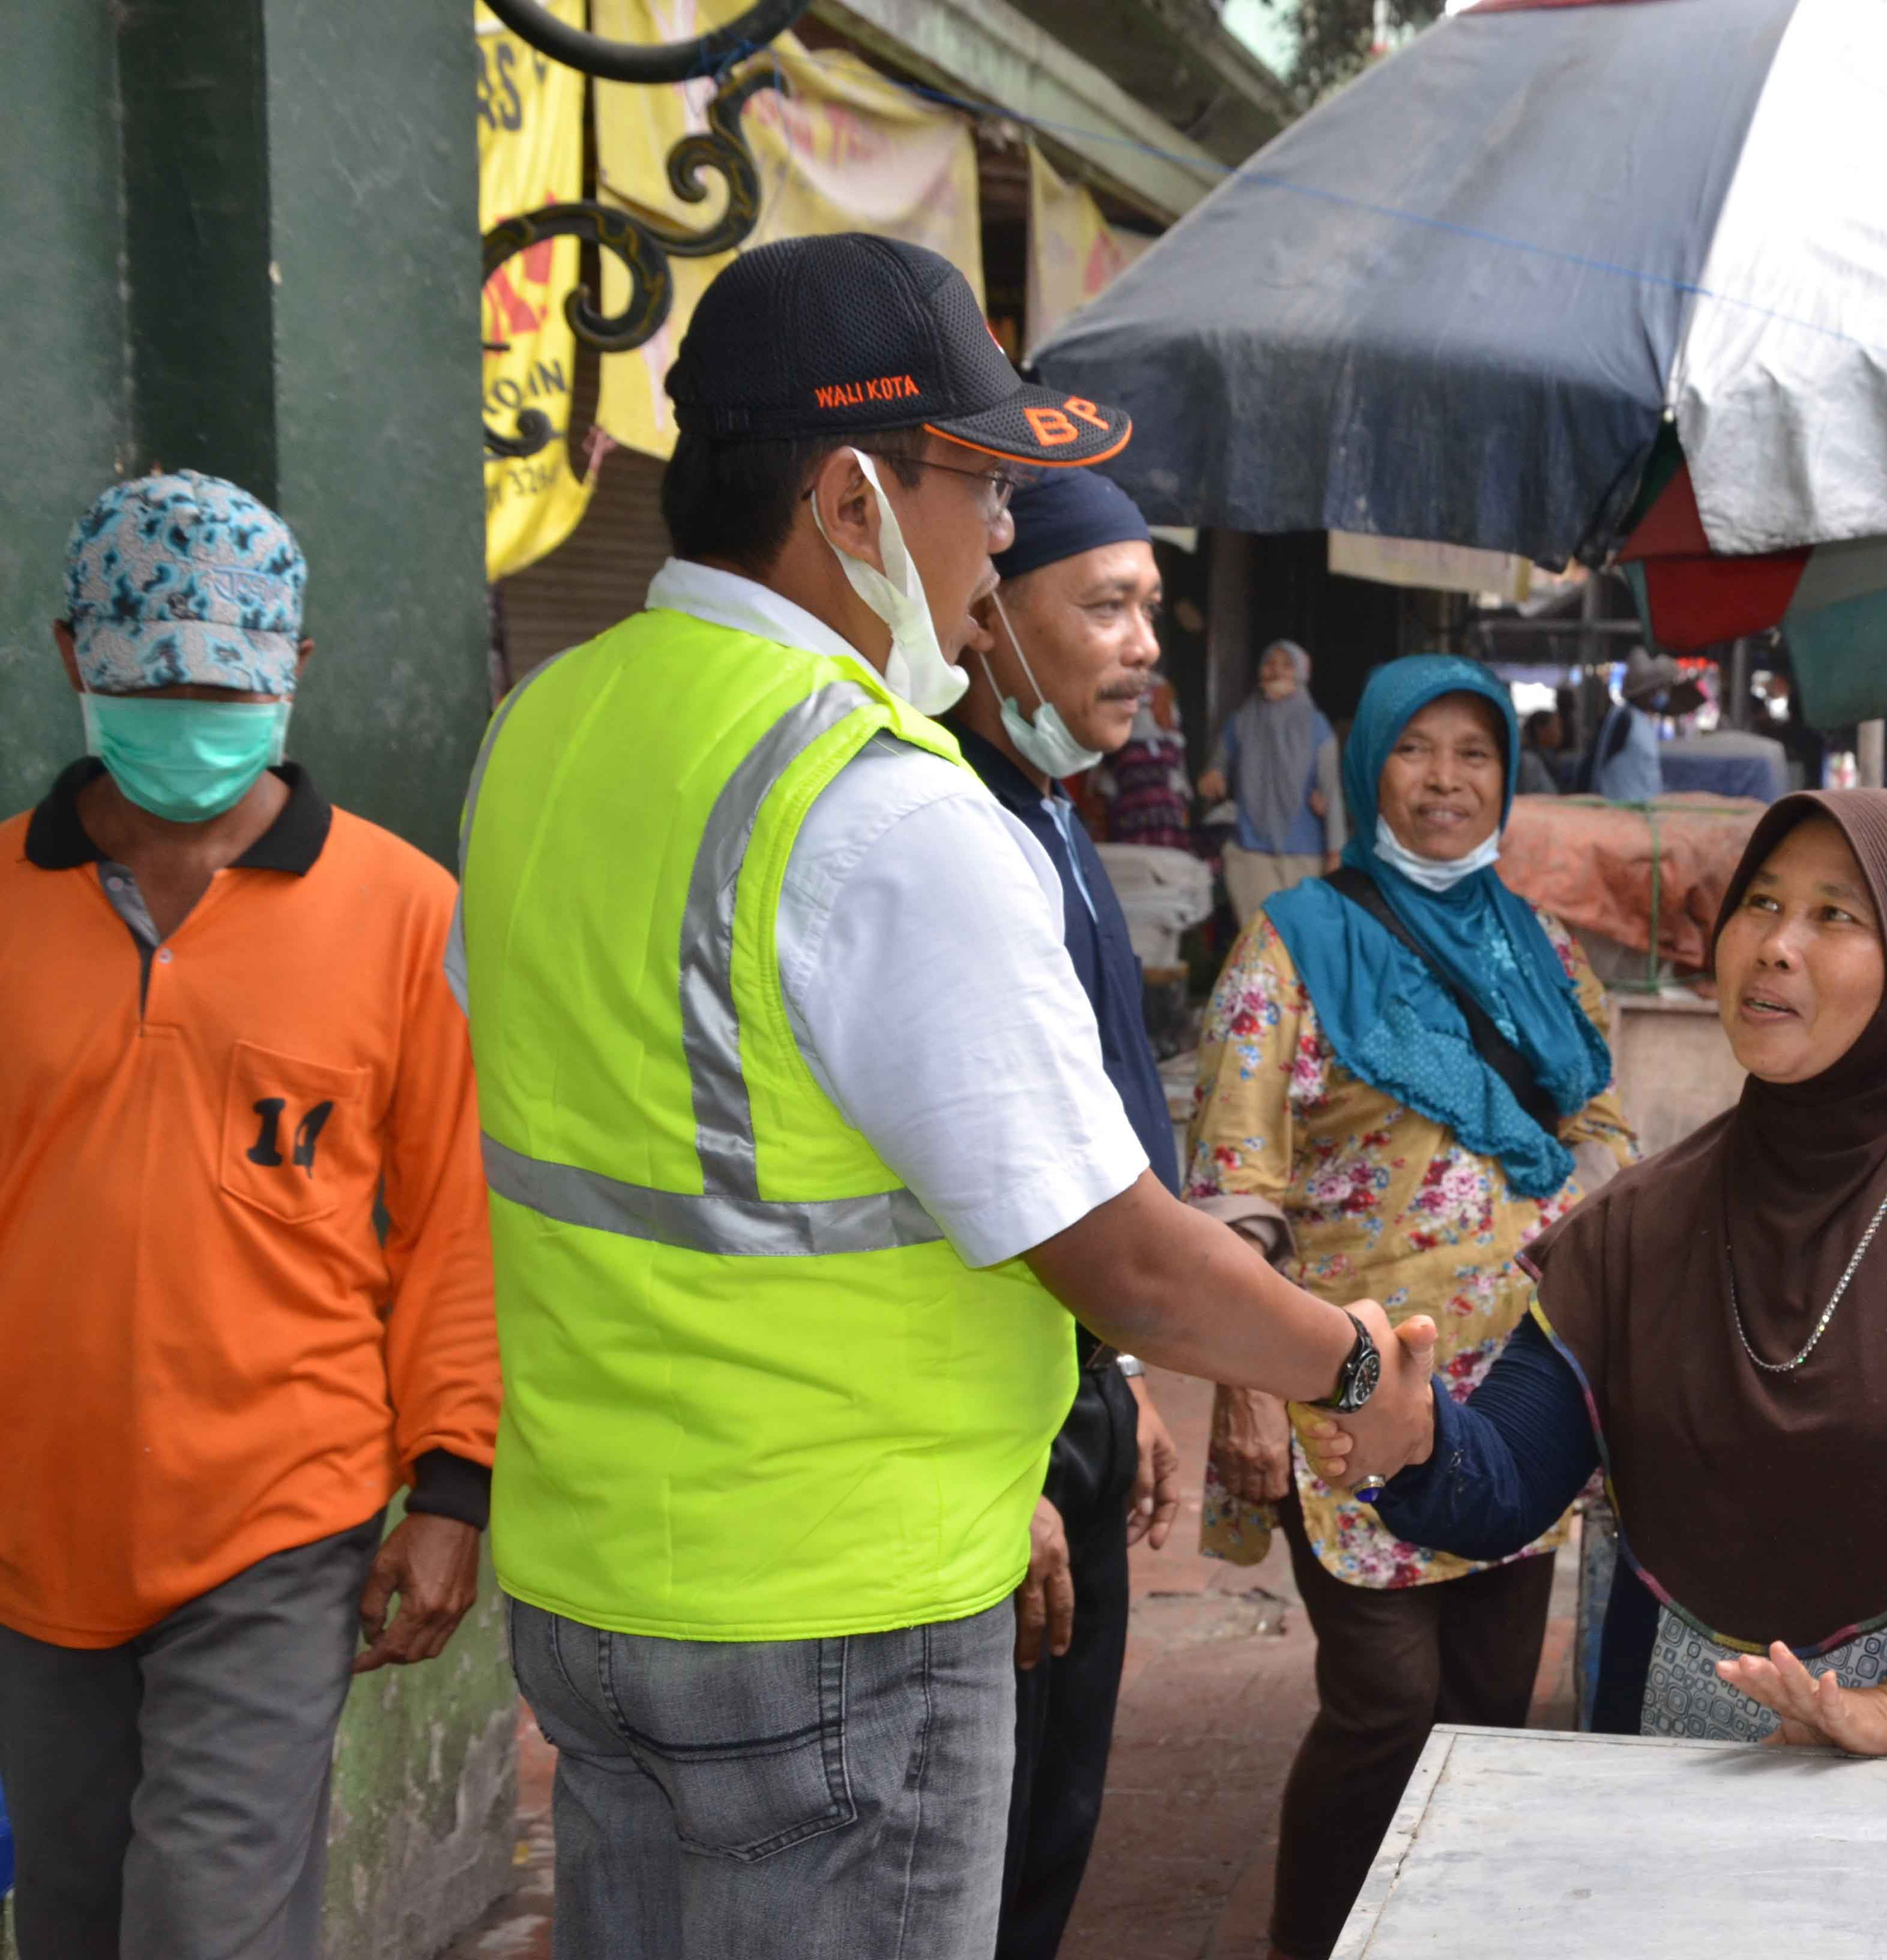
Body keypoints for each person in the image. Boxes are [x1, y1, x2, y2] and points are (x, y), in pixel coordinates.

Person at [454, 234, 1426, 1960]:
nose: (997, 540)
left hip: (599, 1586)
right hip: (833, 1611)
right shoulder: (876, 809)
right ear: (847, 498)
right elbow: (1117, 1255)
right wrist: (1352, 1365)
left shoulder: (549, 726)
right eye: (977, 486)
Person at [1334, 788, 1887, 1758]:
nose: (1775, 944)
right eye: (1759, 902)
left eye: (1835, 913)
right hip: (1686, 1757)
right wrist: (1415, 1438)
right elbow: (1504, 1486)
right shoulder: (1641, 1220)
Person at [0, 473, 500, 1959]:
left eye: (232, 679)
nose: (195, 712)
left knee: (203, 1921)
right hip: (34, 1526)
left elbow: (454, 1223)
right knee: (76, 1922)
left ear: (295, 671)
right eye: (159, 681)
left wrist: (455, 1482)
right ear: (75, 657)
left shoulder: (407, 913)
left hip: (283, 1516)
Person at [1186, 655, 1638, 1960]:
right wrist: (1243, 1390)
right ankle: (1317, 1938)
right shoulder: (1293, 943)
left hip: (1520, 1401)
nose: (1445, 781)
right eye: (1415, 752)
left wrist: (1585, 1202)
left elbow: (1596, 1102)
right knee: (1388, 1698)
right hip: (1348, 1395)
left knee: (1495, 1697)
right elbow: (1233, 1184)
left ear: (1505, 774)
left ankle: (1451, 1931)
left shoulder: (1535, 943)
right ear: (1366, 764)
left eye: (1474, 754)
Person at [946, 467, 1193, 1960]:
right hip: (986, 1447)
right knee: (979, 1856)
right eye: (1105, 605)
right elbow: (928, 1194)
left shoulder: (1052, 813)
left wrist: (1124, 1378)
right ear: (985, 613)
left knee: (1053, 1830)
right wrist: (1008, 1479)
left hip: (1073, 1394)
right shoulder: (941, 831)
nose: (1144, 644)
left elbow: (1089, 1140)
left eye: (1151, 608)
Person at [1200, 640, 1344, 924]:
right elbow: (1217, 765)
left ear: (1303, 673)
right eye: (1270, 663)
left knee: (1298, 941)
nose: (1276, 670)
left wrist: (1335, 852)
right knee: (1259, 941)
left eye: (1287, 665)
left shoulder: (1317, 727)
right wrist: (1213, 775)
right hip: (1250, 851)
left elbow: (1332, 792)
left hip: (1304, 854)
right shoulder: (1241, 721)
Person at [1589, 652, 1706, 802]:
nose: (1663, 694)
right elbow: (1597, 763)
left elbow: (1687, 702)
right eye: (1660, 689)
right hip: (1621, 809)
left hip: (1640, 811)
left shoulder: (1642, 720)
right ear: (1646, 692)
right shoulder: (1624, 719)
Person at [1102, 681, 1196, 854]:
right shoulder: (1120, 747)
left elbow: (1181, 788)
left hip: (1169, 827)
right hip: (1131, 825)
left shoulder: (1172, 744)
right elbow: (1105, 790)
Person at [1514, 706, 1565, 796]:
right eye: (1557, 726)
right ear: (1540, 729)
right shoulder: (1530, 761)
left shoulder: (1551, 759)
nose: (1560, 732)